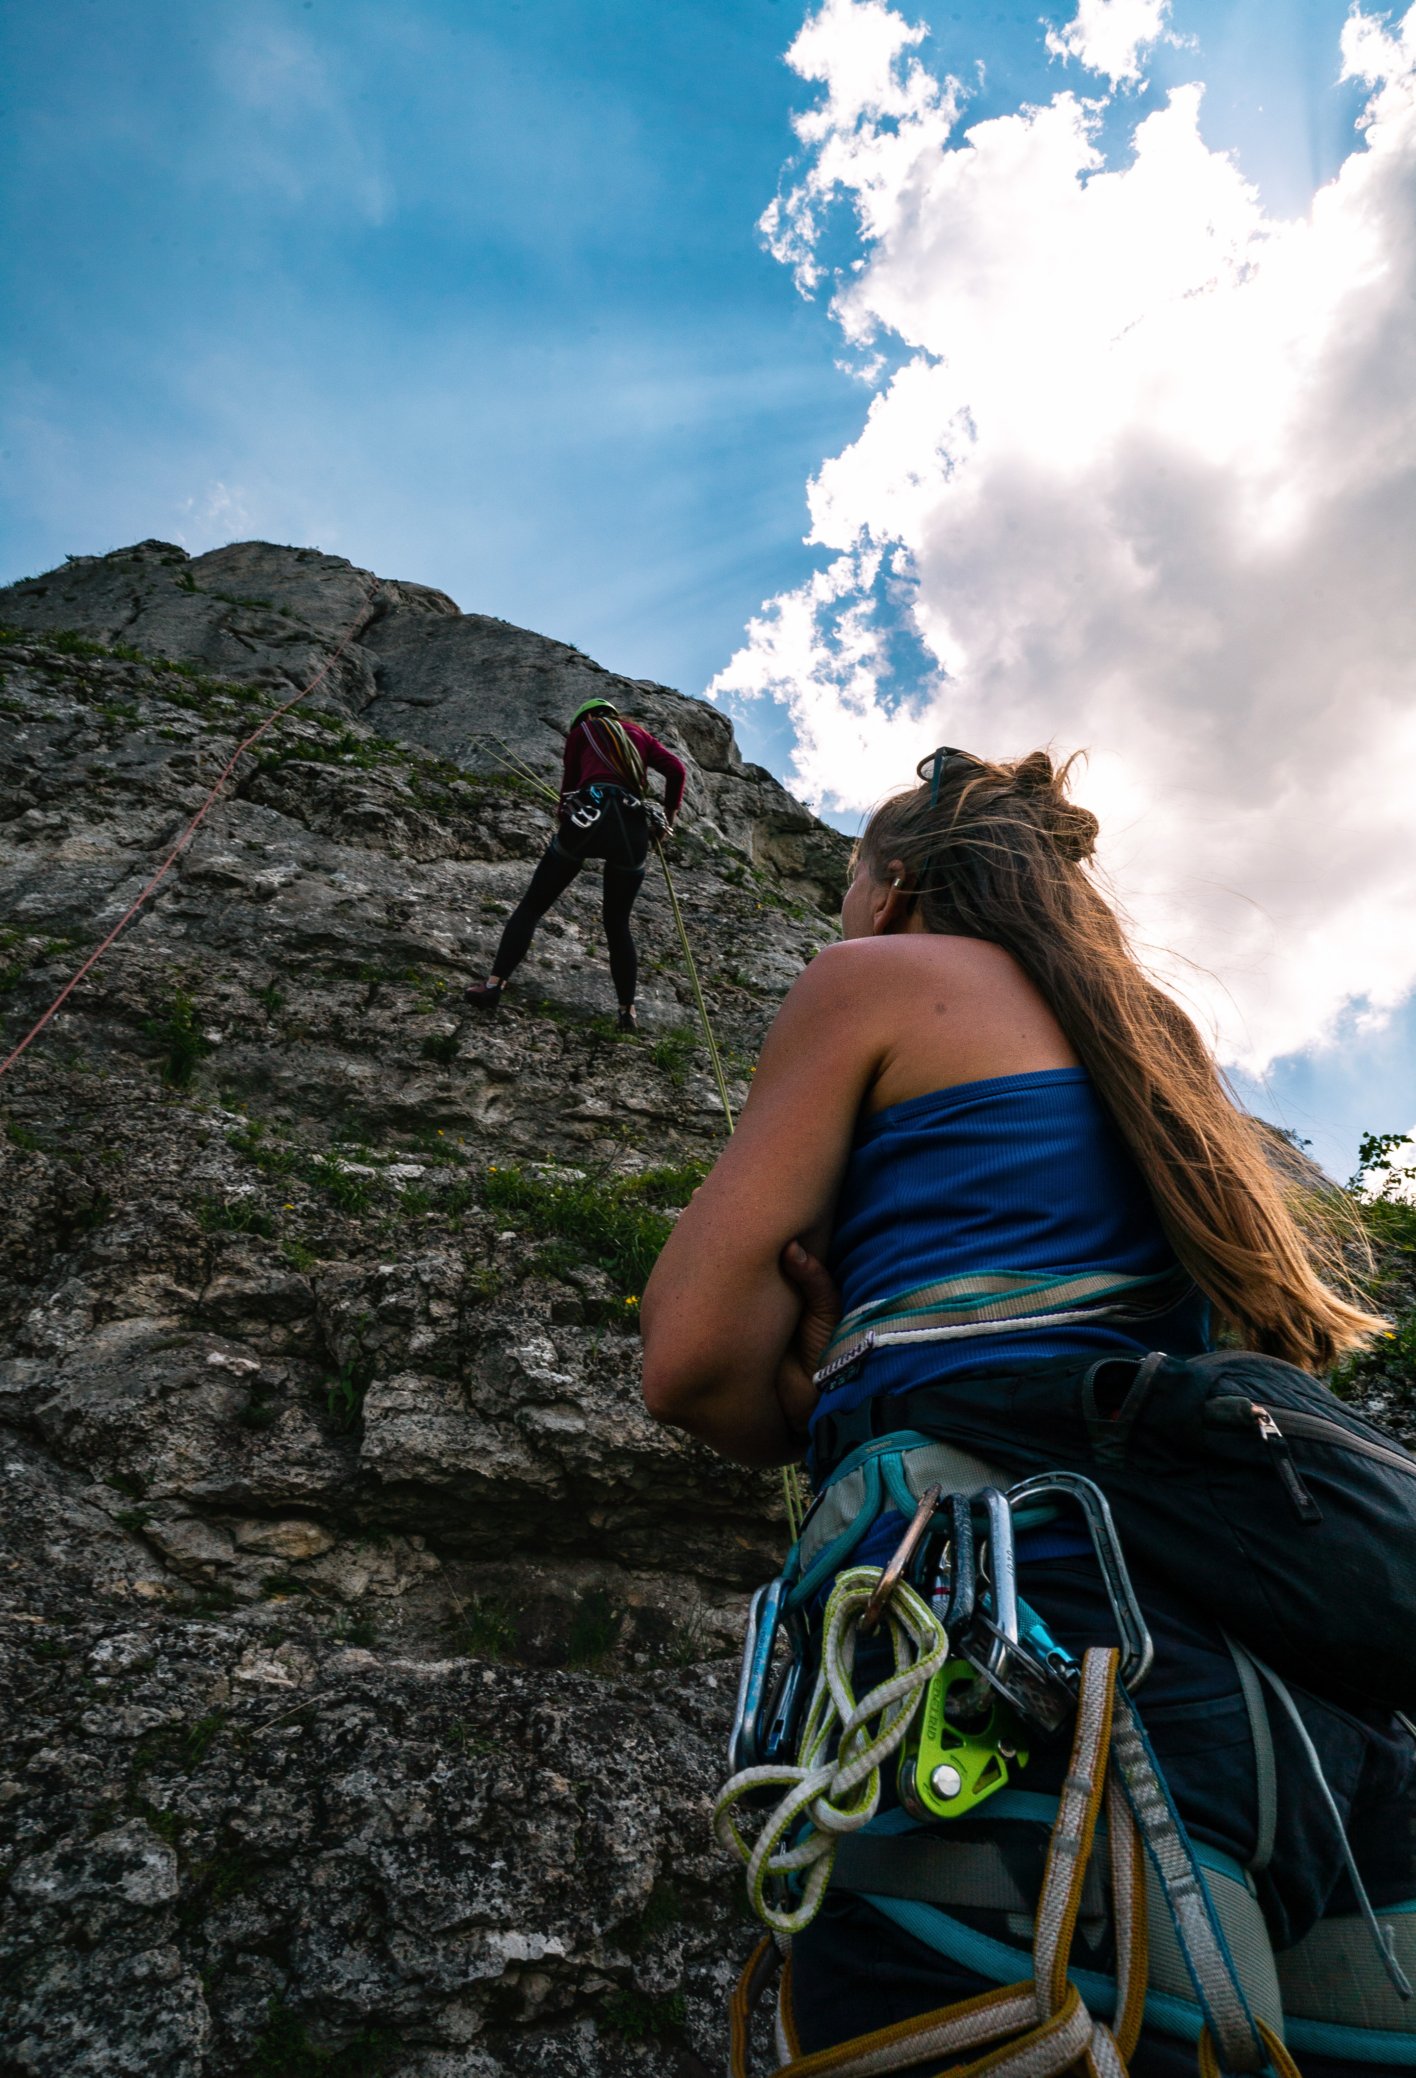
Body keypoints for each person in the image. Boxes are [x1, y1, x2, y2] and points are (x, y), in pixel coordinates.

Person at [640, 747, 1412, 2077]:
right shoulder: (1157, 1049)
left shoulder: (871, 980)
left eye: (846, 888)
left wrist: (824, 1386)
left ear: (891, 891)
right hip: (1312, 1737)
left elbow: (692, 1358)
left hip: (1023, 1676)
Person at [466, 698, 685, 1032]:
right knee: (617, 923)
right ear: (613, 714)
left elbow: (568, 791)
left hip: (589, 814)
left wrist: (566, 824)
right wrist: (667, 819)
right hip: (631, 824)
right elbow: (677, 770)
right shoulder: (640, 735)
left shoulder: (583, 732)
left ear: (584, 718)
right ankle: (627, 1012)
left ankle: (494, 987)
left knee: (533, 906)